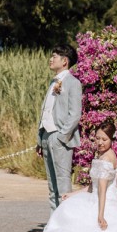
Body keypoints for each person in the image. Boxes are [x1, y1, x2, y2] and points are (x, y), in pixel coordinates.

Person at [36, 45, 82, 212]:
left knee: (63, 183)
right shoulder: (52, 82)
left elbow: (75, 114)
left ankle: (65, 224)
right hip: (47, 136)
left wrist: (62, 136)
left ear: (64, 61)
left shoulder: (73, 83)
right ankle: (54, 222)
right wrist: (40, 139)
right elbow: (46, 111)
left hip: (60, 137)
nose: (50, 59)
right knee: (51, 184)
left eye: (54, 56)